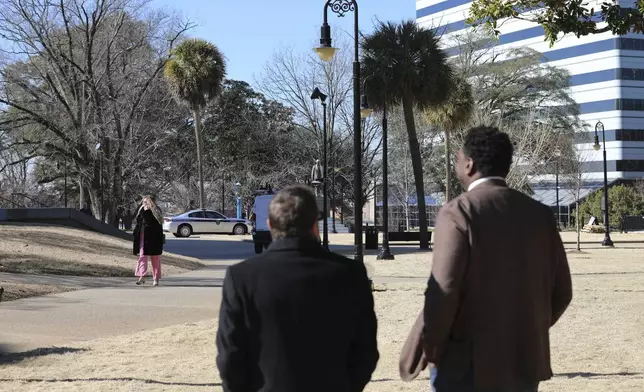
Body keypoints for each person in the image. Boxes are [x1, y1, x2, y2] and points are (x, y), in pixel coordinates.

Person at [422, 126, 573, 392]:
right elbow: (562, 292)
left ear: (469, 165)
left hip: (467, 367)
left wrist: (432, 349)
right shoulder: (540, 215)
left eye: (457, 159)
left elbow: (444, 291)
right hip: (523, 362)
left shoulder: (458, 212)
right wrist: (525, 327)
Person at [216, 185, 379, 392]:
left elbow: (230, 355)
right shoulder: (350, 273)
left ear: (269, 225)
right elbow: (365, 352)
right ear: (314, 227)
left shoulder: (241, 278)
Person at [133, 195, 164, 286]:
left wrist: (147, 211)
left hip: (154, 237)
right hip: (143, 236)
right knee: (142, 257)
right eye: (143, 202)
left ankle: (156, 278)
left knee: (155, 258)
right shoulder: (141, 210)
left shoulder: (156, 210)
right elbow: (138, 222)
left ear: (151, 202)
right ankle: (142, 276)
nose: (144, 204)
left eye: (146, 202)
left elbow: (154, 223)